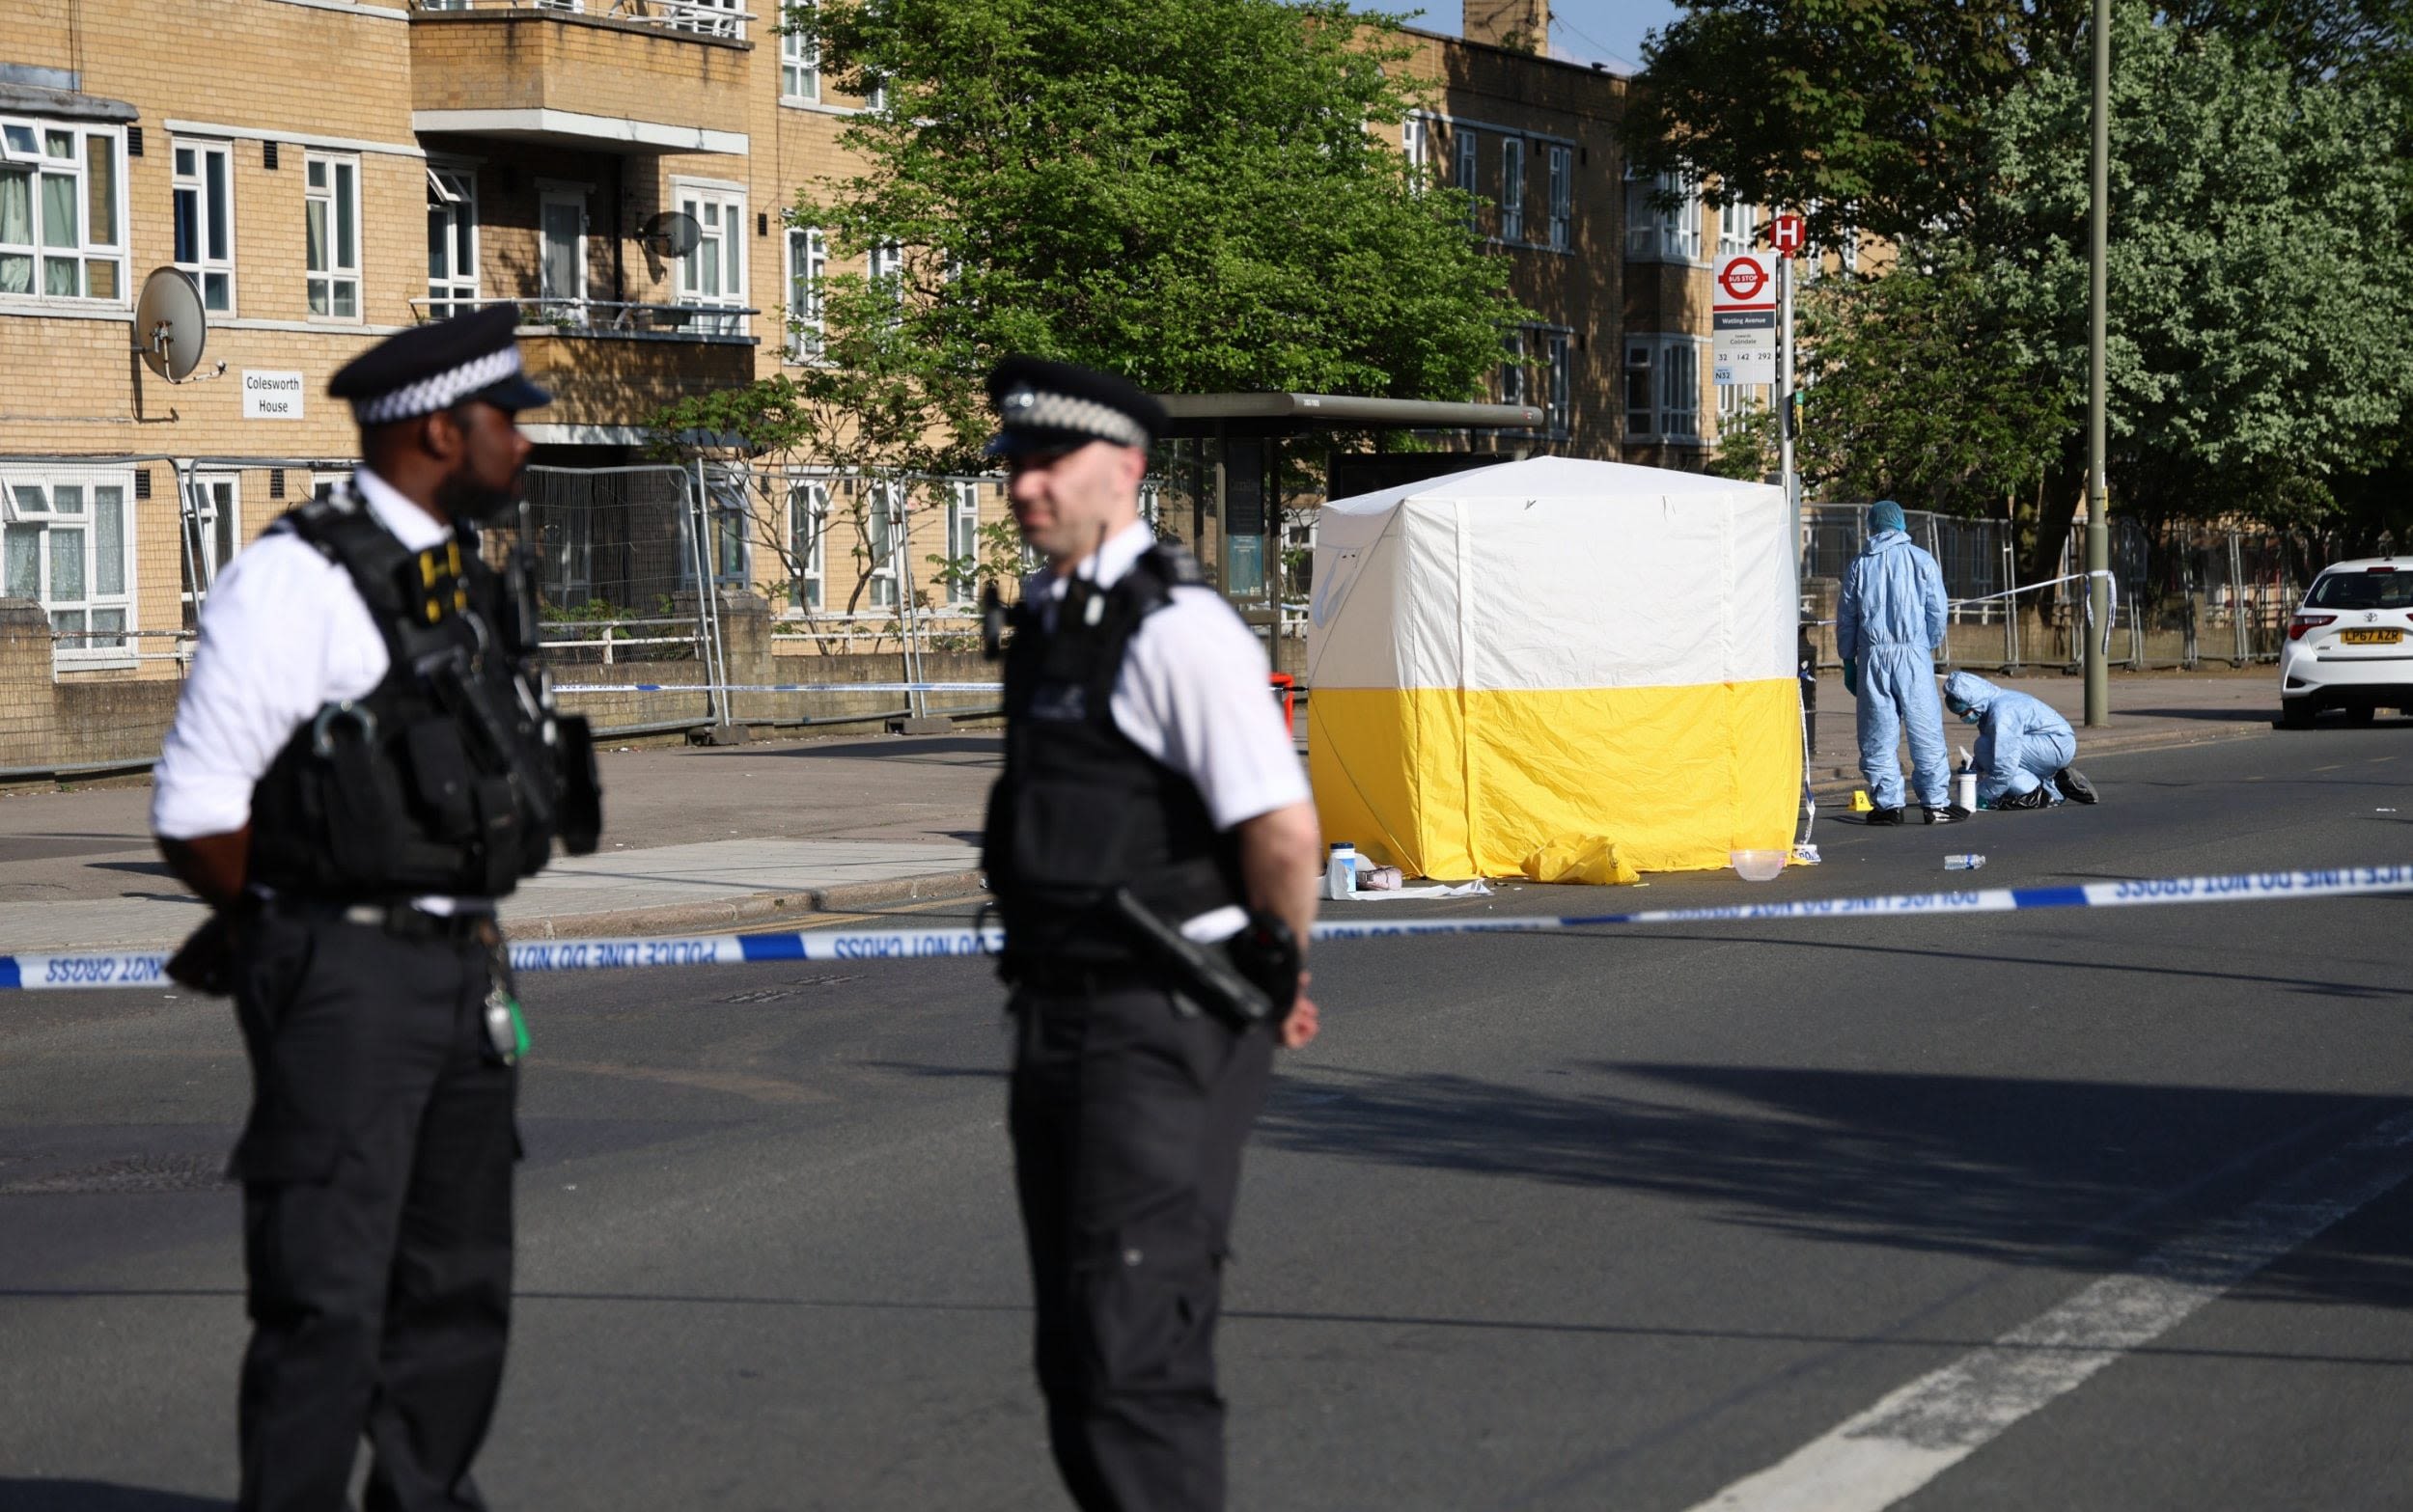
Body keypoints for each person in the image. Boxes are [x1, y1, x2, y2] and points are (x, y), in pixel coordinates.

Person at [151, 305, 600, 1512]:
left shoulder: (449, 578)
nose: (524, 444)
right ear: (443, 430)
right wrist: (288, 928)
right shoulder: (293, 580)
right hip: (344, 975)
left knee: (456, 1285)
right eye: (509, 421)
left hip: (460, 967)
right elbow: (198, 811)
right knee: (328, 1299)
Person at [980, 356, 1323, 1512]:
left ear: (1124, 469)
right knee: (1076, 1349)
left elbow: (1280, 829)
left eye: (1048, 465)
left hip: (1160, 1016)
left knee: (1136, 1342)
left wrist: (1277, 965)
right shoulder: (1052, 617)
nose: (1024, 488)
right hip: (1061, 1012)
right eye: (1014, 466)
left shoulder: (1178, 629)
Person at [1838, 499, 1966, 825]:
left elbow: (1847, 618)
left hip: (1873, 656)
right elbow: (1937, 610)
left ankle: (1888, 805)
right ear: (1901, 524)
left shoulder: (1859, 566)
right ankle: (1935, 802)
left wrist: (1848, 659)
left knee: (1877, 731)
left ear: (1872, 526)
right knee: (1925, 729)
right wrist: (1928, 644)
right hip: (1913, 654)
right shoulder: (1922, 560)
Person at [1943, 671, 2099, 810]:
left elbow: (2005, 764)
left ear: (1974, 702)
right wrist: (1974, 770)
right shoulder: (1992, 704)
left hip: (2054, 743)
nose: (1963, 718)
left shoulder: (2002, 713)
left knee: (1986, 748)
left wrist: (1982, 794)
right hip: (2052, 742)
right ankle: (2055, 780)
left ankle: (2044, 792)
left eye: (1964, 712)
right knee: (1986, 748)